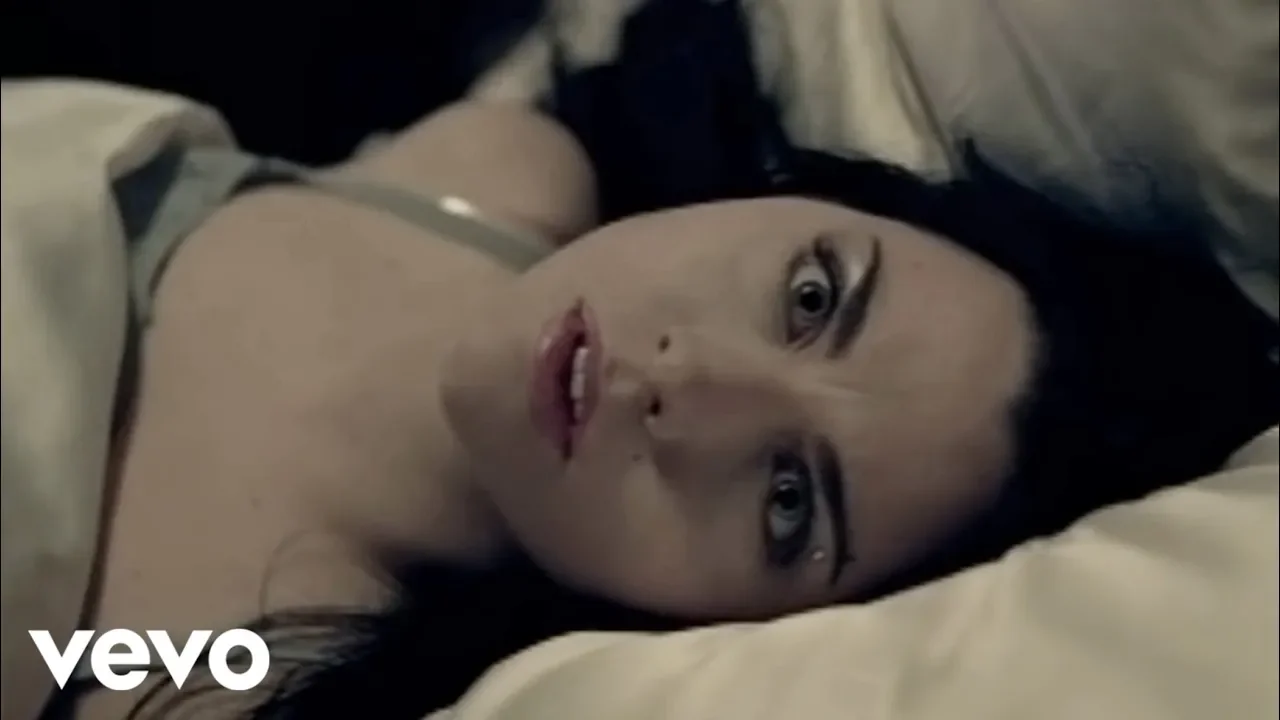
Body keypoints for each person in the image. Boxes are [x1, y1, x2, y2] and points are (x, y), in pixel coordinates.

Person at [34, 95, 1275, 720]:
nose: (692, 387)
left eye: (786, 501)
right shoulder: (496, 171)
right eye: (809, 295)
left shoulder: (228, 672)